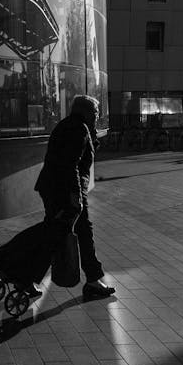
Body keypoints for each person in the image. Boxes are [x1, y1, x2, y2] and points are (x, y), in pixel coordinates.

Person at [35, 94, 115, 301]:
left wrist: (92, 138)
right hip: (66, 191)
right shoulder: (77, 129)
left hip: (57, 189)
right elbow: (70, 166)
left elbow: (78, 157)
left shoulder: (72, 126)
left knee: (55, 233)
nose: (98, 116)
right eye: (96, 112)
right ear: (87, 112)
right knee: (80, 232)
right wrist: (75, 198)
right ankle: (93, 280)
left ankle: (26, 274)